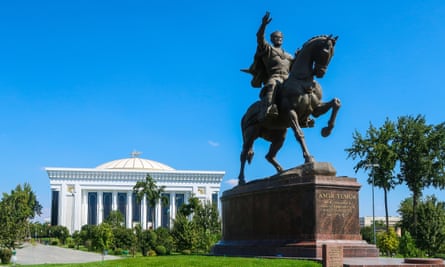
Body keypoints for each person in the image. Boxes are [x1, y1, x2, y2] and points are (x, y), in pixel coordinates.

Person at [242, 12, 293, 120]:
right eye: (275, 37)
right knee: (272, 85)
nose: (278, 39)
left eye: (280, 37)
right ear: (271, 39)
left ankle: (305, 115)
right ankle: (269, 108)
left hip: (288, 79)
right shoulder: (268, 49)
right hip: (275, 77)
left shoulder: (289, 56)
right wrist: (263, 25)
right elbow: (259, 37)